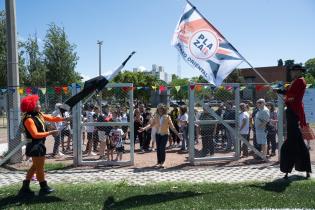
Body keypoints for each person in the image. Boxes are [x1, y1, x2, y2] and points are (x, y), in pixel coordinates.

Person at [18, 95, 66, 196]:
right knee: (39, 168)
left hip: (39, 143)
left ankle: (25, 187)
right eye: (38, 104)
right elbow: (35, 135)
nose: (40, 105)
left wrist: (63, 119)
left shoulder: (38, 114)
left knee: (35, 166)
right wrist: (50, 132)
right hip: (35, 144)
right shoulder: (29, 119)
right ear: (31, 106)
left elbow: (51, 118)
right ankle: (43, 187)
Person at [277, 64, 311, 179]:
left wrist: (284, 94)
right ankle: (302, 168)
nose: (291, 73)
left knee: (292, 144)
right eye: (291, 71)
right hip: (292, 111)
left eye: (294, 71)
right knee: (297, 142)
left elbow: (293, 97)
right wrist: (282, 92)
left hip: (294, 112)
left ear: (299, 71)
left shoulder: (300, 81)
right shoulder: (296, 81)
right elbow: (291, 94)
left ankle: (288, 169)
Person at [139, 103, 181, 168]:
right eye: (158, 108)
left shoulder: (167, 117)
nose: (160, 110)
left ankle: (163, 162)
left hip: (165, 134)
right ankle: (159, 162)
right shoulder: (156, 116)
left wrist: (178, 135)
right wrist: (144, 128)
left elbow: (172, 127)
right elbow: (151, 124)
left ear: (163, 109)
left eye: (161, 108)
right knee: (158, 148)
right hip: (158, 134)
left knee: (162, 148)